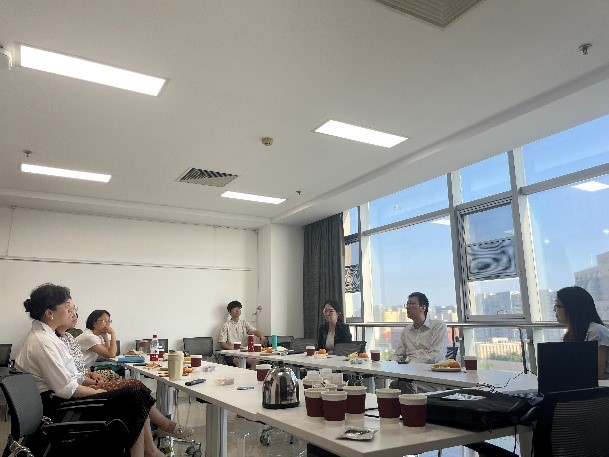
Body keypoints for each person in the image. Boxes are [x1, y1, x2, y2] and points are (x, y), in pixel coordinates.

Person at [15, 283, 165, 457]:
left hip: (59, 399)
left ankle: (149, 449)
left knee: (134, 393)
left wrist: (98, 387)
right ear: (49, 313)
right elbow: (67, 389)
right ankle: (152, 446)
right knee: (132, 394)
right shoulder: (42, 342)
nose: (72, 312)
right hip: (57, 407)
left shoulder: (49, 337)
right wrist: (100, 391)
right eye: (67, 307)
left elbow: (73, 375)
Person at [60, 307, 193, 439]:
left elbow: (84, 363)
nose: (107, 325)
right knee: (135, 388)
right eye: (104, 321)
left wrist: (105, 337)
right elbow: (111, 354)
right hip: (80, 385)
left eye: (109, 321)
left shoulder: (83, 337)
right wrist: (112, 334)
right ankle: (164, 426)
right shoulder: (88, 337)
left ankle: (159, 432)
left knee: (136, 390)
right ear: (94, 322)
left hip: (85, 375)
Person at [554, 286, 609, 380]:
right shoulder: (573, 333)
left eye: (557, 305)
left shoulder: (596, 331)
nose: (554, 310)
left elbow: (597, 376)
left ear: (571, 308)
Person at [392, 292, 448, 363]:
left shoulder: (438, 326)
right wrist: (388, 363)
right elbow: (399, 355)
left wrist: (410, 363)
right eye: (407, 304)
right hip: (411, 368)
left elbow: (436, 356)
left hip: (432, 368)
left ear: (423, 308)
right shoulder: (406, 331)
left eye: (411, 304)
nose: (407, 307)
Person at [218, 300, 266, 368]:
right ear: (230, 312)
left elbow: (255, 331)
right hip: (231, 354)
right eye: (235, 309)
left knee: (256, 362)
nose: (237, 310)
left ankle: (248, 374)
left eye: (239, 308)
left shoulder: (244, 323)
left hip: (244, 353)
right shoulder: (226, 325)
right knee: (239, 362)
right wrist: (231, 348)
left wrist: (262, 336)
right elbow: (222, 343)